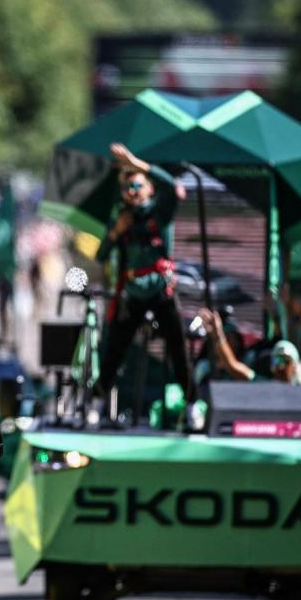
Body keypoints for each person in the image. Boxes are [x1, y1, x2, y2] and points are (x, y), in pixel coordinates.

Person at [94, 142, 194, 423]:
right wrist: (115, 233)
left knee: (177, 349)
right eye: (128, 188)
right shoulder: (121, 218)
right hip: (134, 292)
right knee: (114, 349)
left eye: (138, 186)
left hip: (161, 290)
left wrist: (137, 164)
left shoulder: (160, 213)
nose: (133, 193)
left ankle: (191, 404)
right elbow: (102, 254)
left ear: (149, 188)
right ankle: (97, 402)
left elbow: (172, 187)